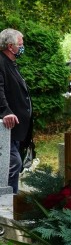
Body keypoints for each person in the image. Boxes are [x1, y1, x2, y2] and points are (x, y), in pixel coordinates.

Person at [0, 29, 33, 194]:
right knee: (14, 163)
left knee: (14, 163)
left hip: (17, 128)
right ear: (10, 46)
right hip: (6, 126)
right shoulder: (0, 62)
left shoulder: (10, 62)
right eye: (20, 44)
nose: (22, 47)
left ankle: (11, 197)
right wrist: (5, 111)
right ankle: (8, 201)